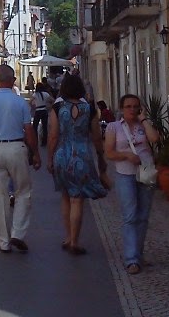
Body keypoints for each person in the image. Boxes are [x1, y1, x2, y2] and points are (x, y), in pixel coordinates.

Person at [0, 64, 41, 253]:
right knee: (23, 191)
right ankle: (17, 233)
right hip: (16, 147)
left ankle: (3, 242)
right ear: (12, 80)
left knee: (0, 196)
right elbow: (29, 130)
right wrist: (35, 153)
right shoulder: (20, 102)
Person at [47, 73, 107, 255]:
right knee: (77, 199)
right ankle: (75, 241)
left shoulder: (57, 108)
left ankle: (68, 236)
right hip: (82, 155)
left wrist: (49, 158)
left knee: (65, 196)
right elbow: (96, 136)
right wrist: (101, 157)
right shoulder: (89, 108)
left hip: (62, 154)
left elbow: (53, 135)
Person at [104, 94, 159, 274]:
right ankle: (131, 259)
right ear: (121, 108)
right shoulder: (113, 127)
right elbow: (109, 153)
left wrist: (144, 120)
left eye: (136, 106)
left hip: (146, 172)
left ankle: (138, 254)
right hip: (125, 174)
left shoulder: (143, 125)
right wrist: (127, 155)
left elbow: (155, 139)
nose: (132, 110)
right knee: (130, 216)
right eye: (128, 106)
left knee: (143, 216)